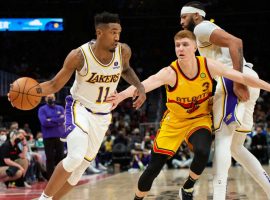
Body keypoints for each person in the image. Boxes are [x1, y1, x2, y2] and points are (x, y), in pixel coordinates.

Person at [106, 30, 270, 200]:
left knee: (202, 151)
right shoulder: (169, 72)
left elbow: (241, 77)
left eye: (185, 45)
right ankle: (137, 198)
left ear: (194, 48)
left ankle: (188, 186)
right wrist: (120, 96)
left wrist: (268, 86)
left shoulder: (208, 65)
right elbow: (144, 84)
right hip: (174, 121)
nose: (180, 49)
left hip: (199, 119)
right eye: (177, 45)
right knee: (153, 169)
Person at [7, 11, 146, 200]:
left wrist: (140, 87)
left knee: (79, 169)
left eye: (119, 32)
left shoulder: (123, 51)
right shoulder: (79, 56)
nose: (117, 37)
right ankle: (43, 199)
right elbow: (55, 84)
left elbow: (126, 69)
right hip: (78, 108)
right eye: (113, 32)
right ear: (99, 33)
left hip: (103, 116)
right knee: (75, 157)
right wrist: (30, 92)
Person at [180, 2, 270, 199]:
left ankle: (218, 196)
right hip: (246, 77)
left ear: (196, 15)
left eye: (183, 17)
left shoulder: (201, 27)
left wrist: (237, 81)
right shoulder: (202, 35)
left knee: (222, 138)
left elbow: (236, 42)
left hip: (234, 79)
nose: (181, 22)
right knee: (236, 147)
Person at [38, 93, 65, 179]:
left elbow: (63, 119)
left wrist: (50, 119)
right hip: (48, 137)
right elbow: (44, 122)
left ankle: (60, 177)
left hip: (60, 136)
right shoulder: (42, 109)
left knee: (60, 157)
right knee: (50, 158)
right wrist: (57, 120)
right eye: (48, 97)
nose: (50, 98)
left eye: (51, 97)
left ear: (55, 98)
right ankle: (50, 178)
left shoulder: (60, 108)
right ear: (45, 99)